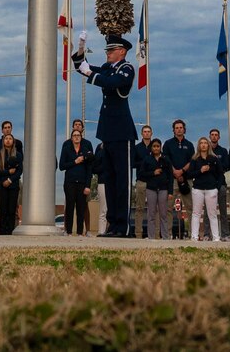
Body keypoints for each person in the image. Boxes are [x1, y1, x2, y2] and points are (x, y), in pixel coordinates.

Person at [74, 34, 137, 237]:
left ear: (122, 52)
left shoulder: (126, 69)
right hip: (108, 131)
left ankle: (123, 227)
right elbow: (82, 67)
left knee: (122, 182)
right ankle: (113, 225)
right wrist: (81, 51)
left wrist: (90, 74)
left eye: (111, 50)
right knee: (109, 181)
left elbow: (113, 83)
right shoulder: (109, 68)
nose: (108, 53)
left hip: (122, 131)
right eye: (107, 51)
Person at [59, 118, 94, 236]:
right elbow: (62, 166)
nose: (76, 135)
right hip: (69, 182)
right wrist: (75, 161)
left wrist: (88, 185)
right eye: (75, 126)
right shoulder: (66, 146)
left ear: (82, 131)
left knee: (82, 207)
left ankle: (81, 232)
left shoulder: (87, 146)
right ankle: (67, 231)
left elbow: (90, 166)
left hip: (82, 182)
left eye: (79, 126)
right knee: (69, 206)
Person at [134, 125, 168, 239]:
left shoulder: (156, 147)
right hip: (142, 181)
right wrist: (146, 164)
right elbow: (133, 163)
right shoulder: (137, 148)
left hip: (155, 183)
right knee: (139, 208)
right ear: (142, 133)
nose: (147, 133)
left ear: (151, 133)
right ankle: (138, 233)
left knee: (156, 209)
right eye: (145, 132)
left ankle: (157, 234)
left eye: (149, 131)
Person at [185, 136, 222, 241]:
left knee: (212, 214)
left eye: (205, 142)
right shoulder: (195, 159)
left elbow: (220, 174)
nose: (204, 145)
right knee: (196, 213)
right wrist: (200, 171)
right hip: (198, 189)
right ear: (199, 145)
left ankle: (216, 237)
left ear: (208, 145)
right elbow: (189, 174)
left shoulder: (214, 159)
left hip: (211, 189)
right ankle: (194, 236)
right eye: (201, 143)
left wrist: (217, 188)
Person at [0, 120, 23, 234]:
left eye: (10, 138)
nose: (8, 140)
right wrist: (8, 172)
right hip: (1, 184)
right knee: (3, 209)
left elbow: (20, 170)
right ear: (3, 140)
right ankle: (2, 232)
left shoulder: (18, 154)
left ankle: (11, 232)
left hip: (13, 185)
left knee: (12, 209)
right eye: (6, 138)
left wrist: (10, 179)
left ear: (13, 141)